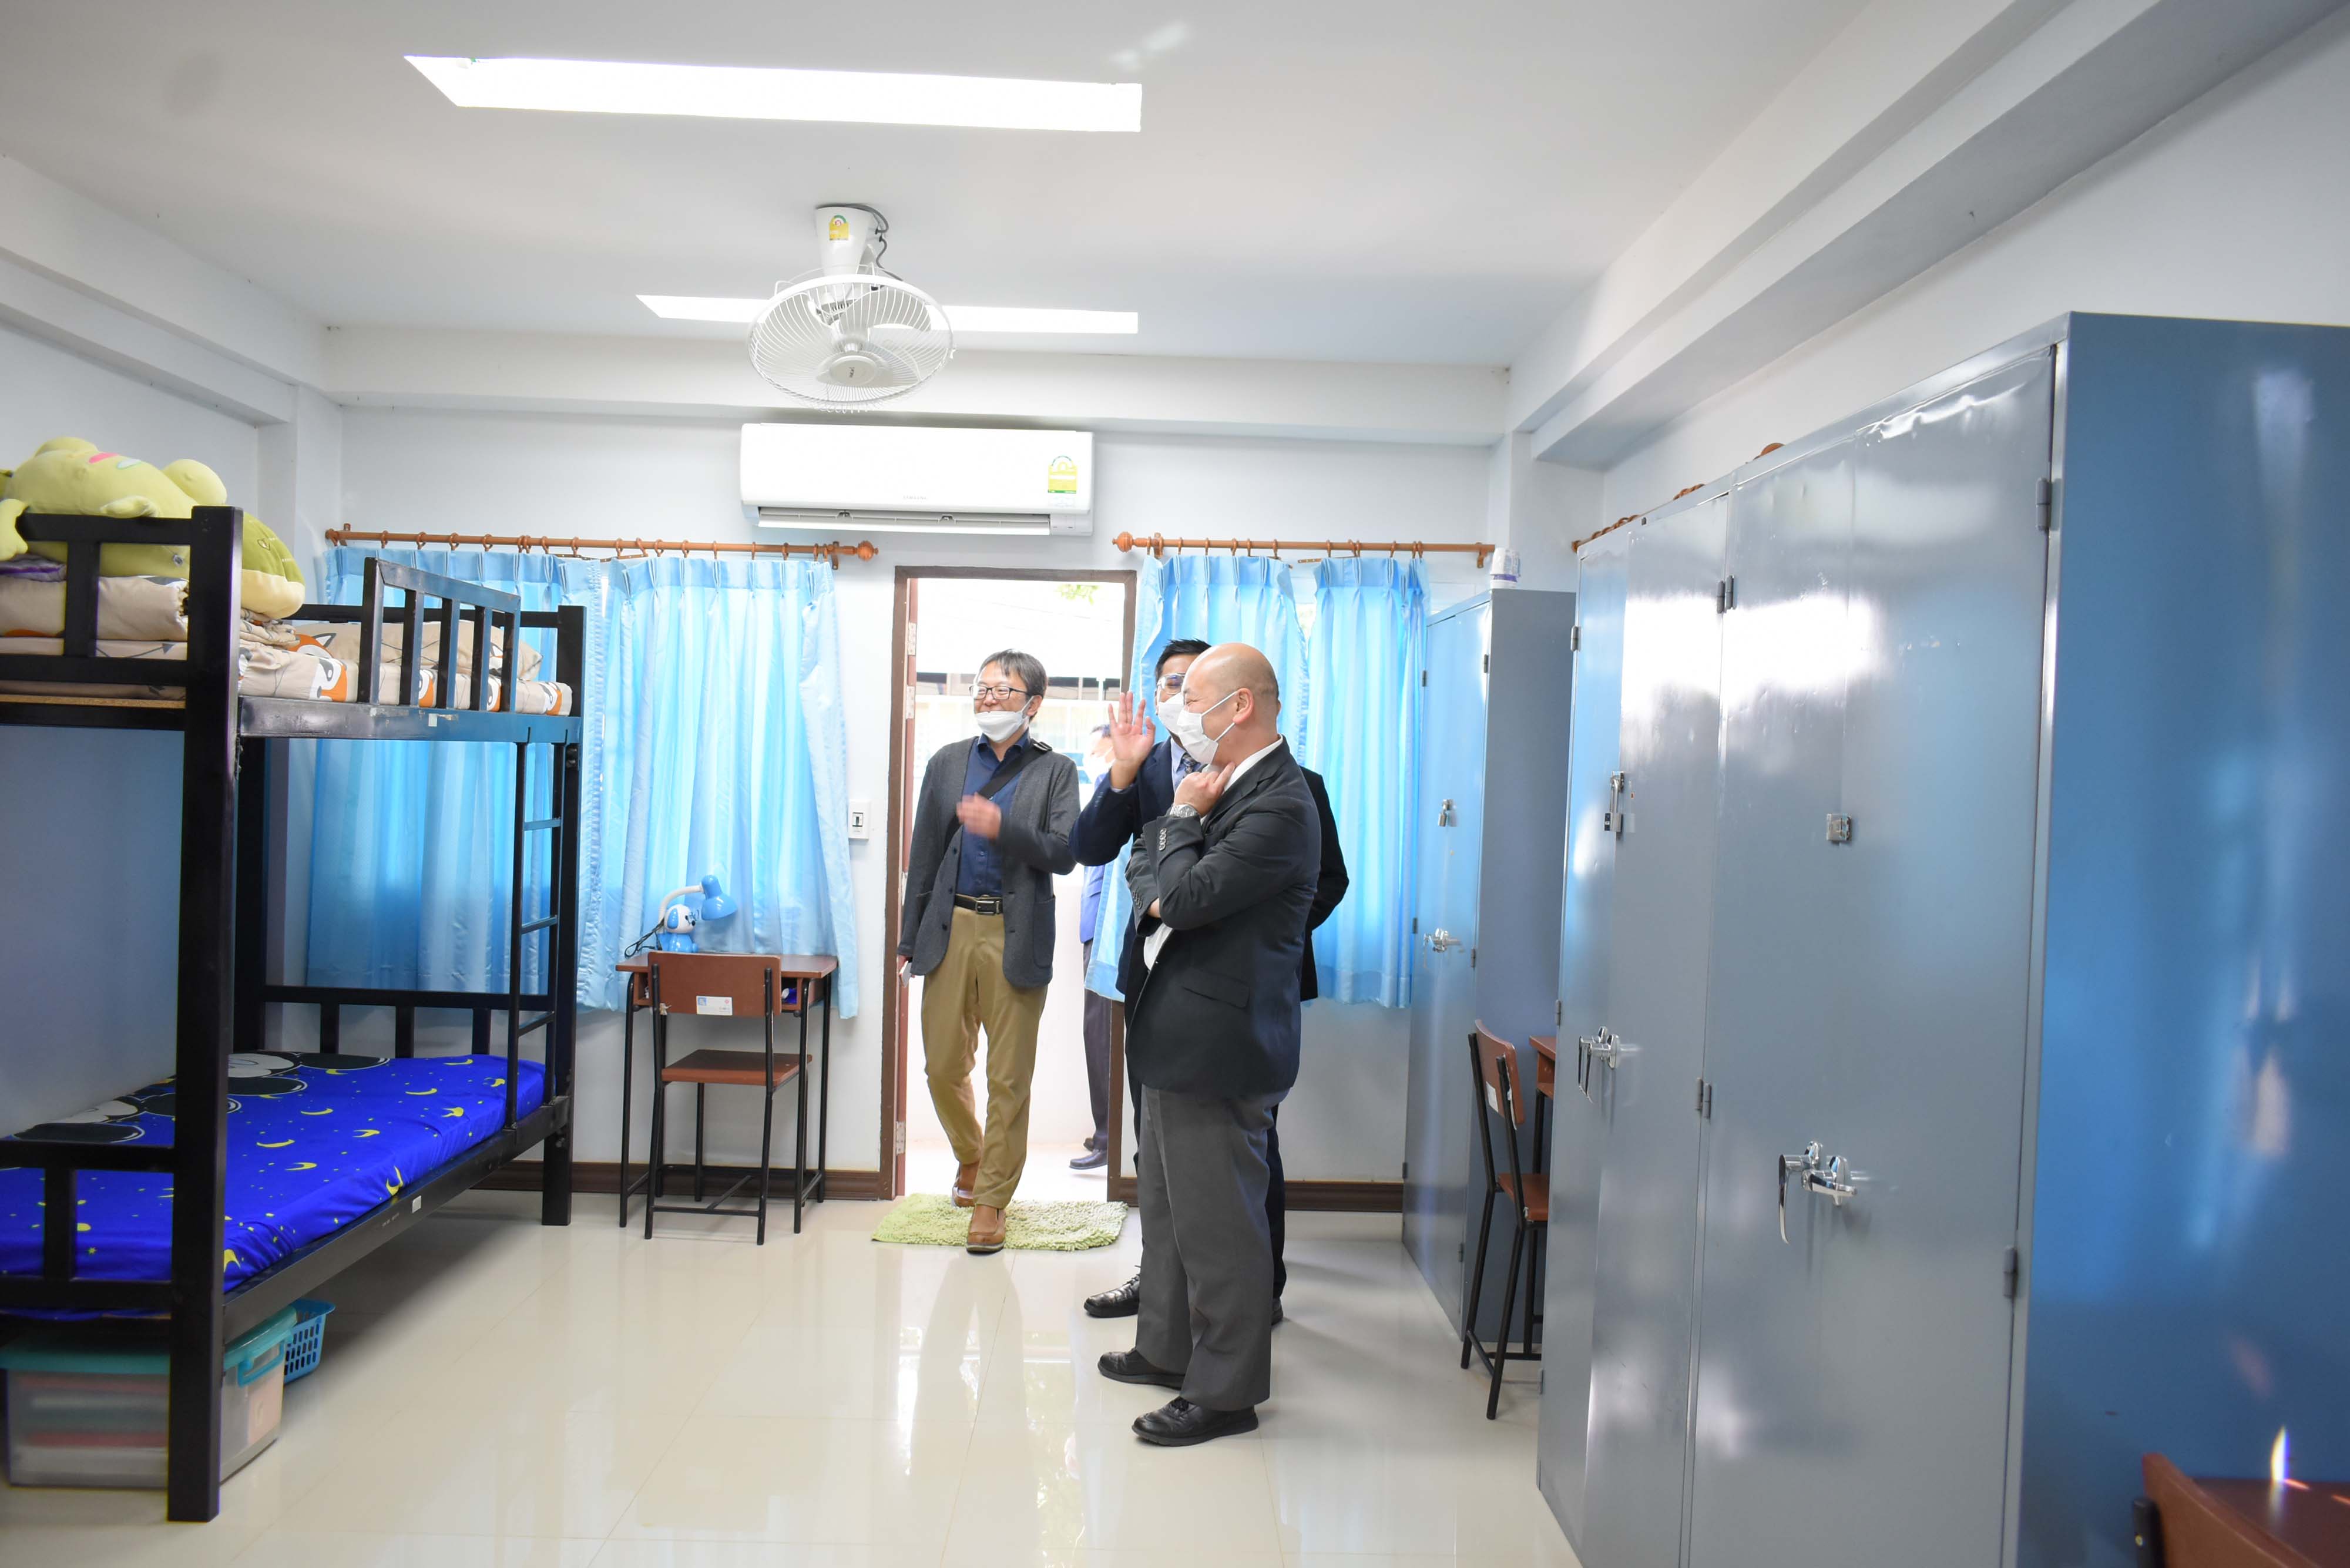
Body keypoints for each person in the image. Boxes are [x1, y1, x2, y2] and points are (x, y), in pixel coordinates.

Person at [1075, 640, 1347, 1317]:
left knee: (1241, 1160)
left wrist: (1249, 932)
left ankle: (1257, 1293)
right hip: (1159, 993)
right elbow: (1107, 853)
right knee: (1160, 1155)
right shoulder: (1150, 771)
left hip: (1238, 1000)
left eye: (1189, 691)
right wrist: (1122, 776)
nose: (1176, 703)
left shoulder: (1289, 786)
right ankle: (1163, 1295)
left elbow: (1320, 882)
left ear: (1234, 702)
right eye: (1169, 687)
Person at [897, 651, 1079, 1254]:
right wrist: (907, 938)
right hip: (949, 927)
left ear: (1034, 703)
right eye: (982, 687)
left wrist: (1003, 827)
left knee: (1008, 1076)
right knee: (942, 1065)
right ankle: (971, 1153)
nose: (989, 697)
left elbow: (1064, 852)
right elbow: (924, 854)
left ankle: (992, 1199)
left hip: (1016, 930)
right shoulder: (948, 762)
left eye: (1004, 689)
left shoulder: (1055, 770)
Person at [1072, 725, 1116, 1171]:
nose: (1090, 757)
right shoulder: (1101, 791)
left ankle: (1109, 1136)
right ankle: (1105, 1131)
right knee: (1096, 1030)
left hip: (1107, 930)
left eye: (1093, 748)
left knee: (1101, 1031)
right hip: (1095, 927)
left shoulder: (1112, 787)